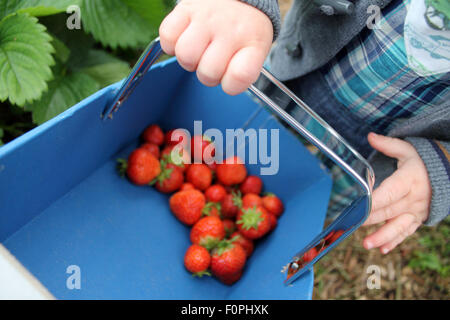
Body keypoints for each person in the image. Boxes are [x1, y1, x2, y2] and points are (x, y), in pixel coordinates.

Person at [159, 0, 450, 254]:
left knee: (308, 205)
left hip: (365, 158)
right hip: (287, 82)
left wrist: (443, 168)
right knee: (244, 135)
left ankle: (291, 228)